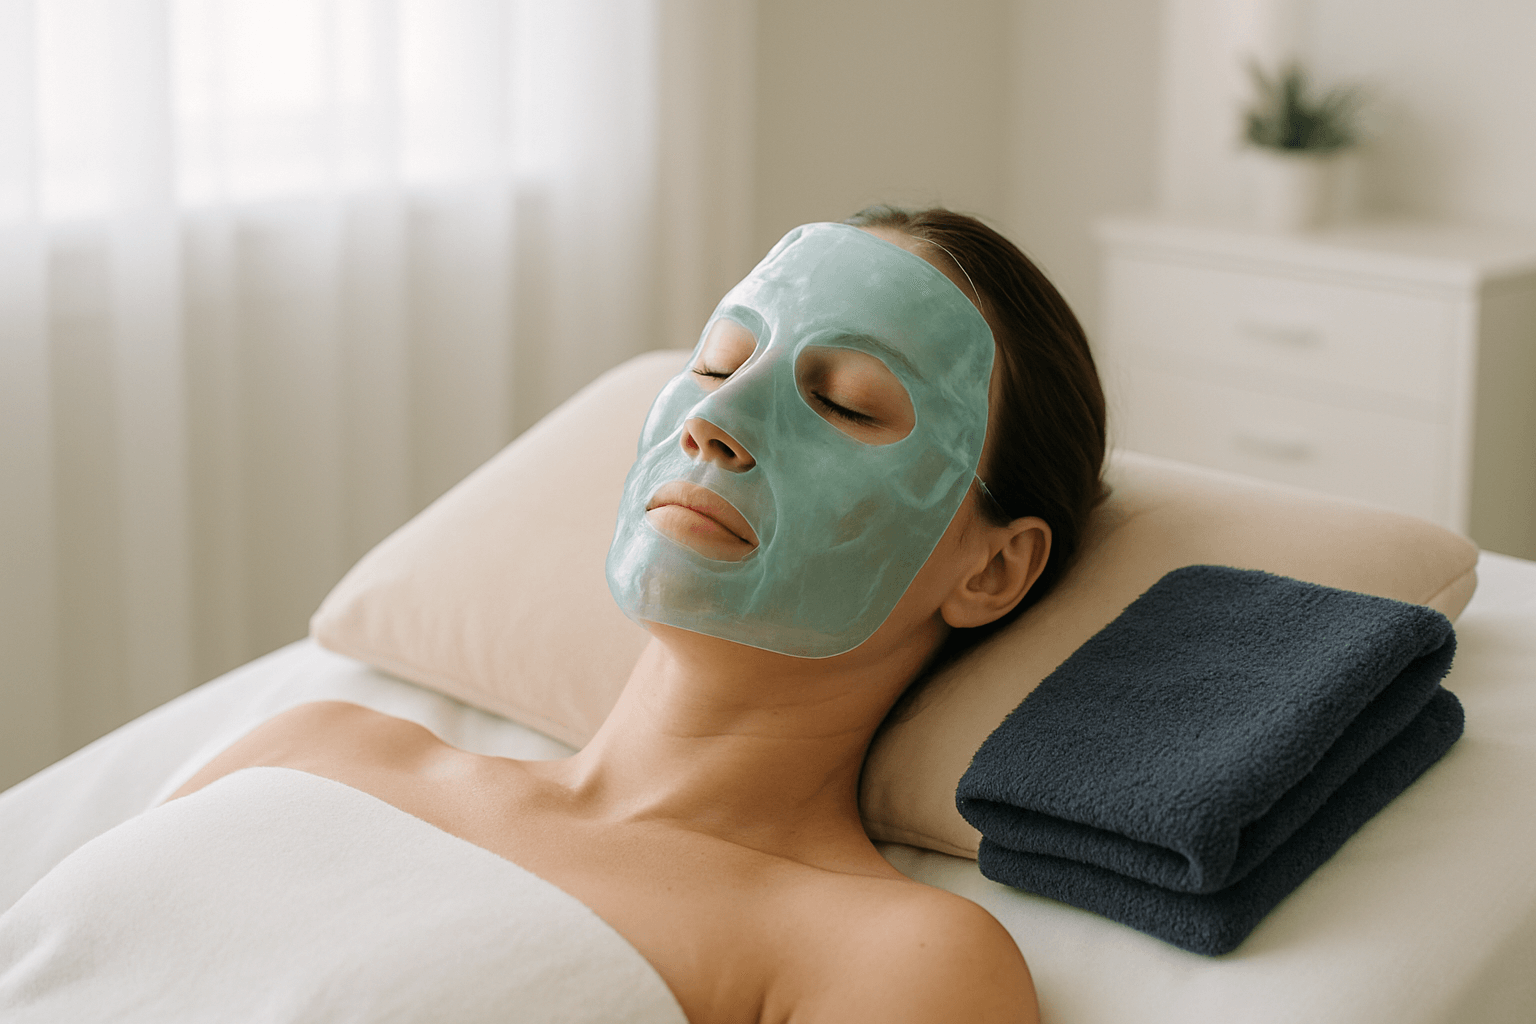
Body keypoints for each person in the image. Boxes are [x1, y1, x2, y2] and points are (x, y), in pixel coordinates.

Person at [6, 207, 1106, 1024]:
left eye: (845, 401)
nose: (717, 420)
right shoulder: (321, 744)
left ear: (993, 572)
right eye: (719, 360)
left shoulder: (881, 956)